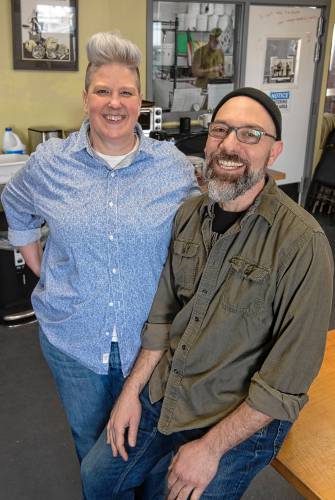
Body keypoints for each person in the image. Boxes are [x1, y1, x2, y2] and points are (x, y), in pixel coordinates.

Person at [80, 87, 334, 499]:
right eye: (221, 130)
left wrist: (211, 447)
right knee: (98, 477)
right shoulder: (188, 215)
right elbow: (163, 316)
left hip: (239, 412)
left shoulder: (302, 244)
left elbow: (285, 383)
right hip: (172, 387)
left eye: (251, 134)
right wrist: (130, 393)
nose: (230, 145)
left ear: (274, 152)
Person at [1, 31, 198, 496]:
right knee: (92, 449)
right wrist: (40, 265)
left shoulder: (171, 167)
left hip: (150, 342)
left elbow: (199, 232)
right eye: (103, 91)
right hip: (74, 339)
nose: (115, 102)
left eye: (126, 92)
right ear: (86, 97)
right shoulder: (51, 162)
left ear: (139, 100)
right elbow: (16, 203)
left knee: (150, 451)